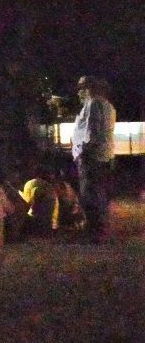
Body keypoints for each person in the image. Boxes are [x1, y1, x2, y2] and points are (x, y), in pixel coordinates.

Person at [71, 75, 116, 241]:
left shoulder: (93, 104)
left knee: (90, 195)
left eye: (82, 89)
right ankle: (100, 230)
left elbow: (92, 132)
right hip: (103, 157)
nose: (79, 93)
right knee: (100, 194)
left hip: (91, 158)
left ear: (89, 88)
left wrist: (84, 152)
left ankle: (94, 233)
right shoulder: (108, 106)